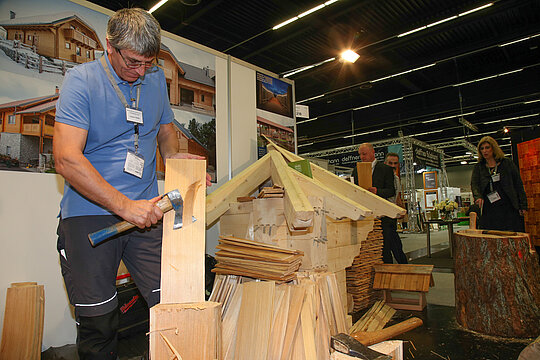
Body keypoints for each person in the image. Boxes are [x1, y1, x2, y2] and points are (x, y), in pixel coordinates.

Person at [53, 8, 210, 359]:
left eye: (148, 64)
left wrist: (174, 160)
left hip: (145, 213)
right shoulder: (82, 80)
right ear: (109, 46)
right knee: (100, 322)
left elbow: (166, 132)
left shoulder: (153, 79)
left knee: (175, 304)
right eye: (133, 63)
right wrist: (124, 207)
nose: (141, 72)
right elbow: (65, 158)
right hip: (89, 214)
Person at [351, 144, 398, 263]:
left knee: (385, 248)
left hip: (383, 217)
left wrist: (377, 191)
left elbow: (391, 191)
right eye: (360, 154)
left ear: (373, 152)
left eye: (364, 154)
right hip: (365, 216)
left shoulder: (385, 169)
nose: (362, 157)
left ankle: (387, 274)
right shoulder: (356, 169)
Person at [470, 136, 527, 232]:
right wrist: (478, 197)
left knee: (510, 233)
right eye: (482, 148)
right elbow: (474, 184)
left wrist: (523, 205)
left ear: (494, 148)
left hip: (508, 206)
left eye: (487, 147)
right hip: (489, 208)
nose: (485, 151)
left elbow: (518, 184)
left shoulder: (507, 163)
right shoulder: (479, 167)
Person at [383, 153, 408, 264]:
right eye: (390, 163)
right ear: (385, 163)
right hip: (384, 216)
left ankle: (404, 267)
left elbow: (396, 197)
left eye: (395, 163)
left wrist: (401, 208)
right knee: (390, 245)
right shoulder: (382, 179)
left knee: (396, 245)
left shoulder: (396, 179)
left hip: (392, 217)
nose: (392, 165)